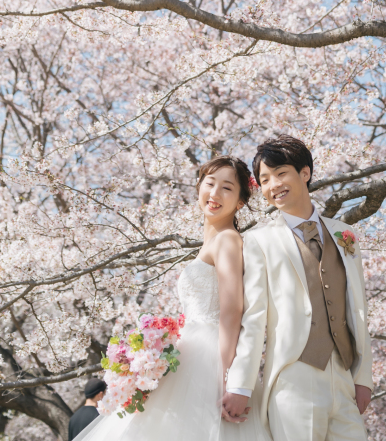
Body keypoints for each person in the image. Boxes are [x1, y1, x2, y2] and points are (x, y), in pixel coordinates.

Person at [72, 156, 270, 441]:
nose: (214, 193)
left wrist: (229, 377)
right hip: (191, 350)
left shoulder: (228, 239)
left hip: (211, 358)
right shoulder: (213, 241)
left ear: (240, 202)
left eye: (227, 188)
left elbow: (232, 310)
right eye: (209, 183)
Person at [222, 135, 373, 441]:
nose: (273, 185)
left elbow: (359, 307)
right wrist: (240, 385)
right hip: (294, 379)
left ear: (305, 173)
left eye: (280, 174)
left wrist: (364, 378)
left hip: (345, 376)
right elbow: (253, 319)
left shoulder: (345, 235)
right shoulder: (259, 242)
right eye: (264, 180)